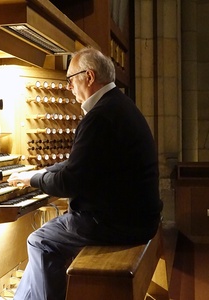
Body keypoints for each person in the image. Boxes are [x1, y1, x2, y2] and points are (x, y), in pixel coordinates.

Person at [8, 47, 163, 300]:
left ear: (88, 77)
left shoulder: (100, 117)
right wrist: (43, 171)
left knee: (40, 241)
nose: (69, 88)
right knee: (52, 232)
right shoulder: (118, 106)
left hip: (119, 223)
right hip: (135, 217)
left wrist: (33, 179)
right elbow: (79, 165)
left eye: (71, 80)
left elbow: (70, 181)